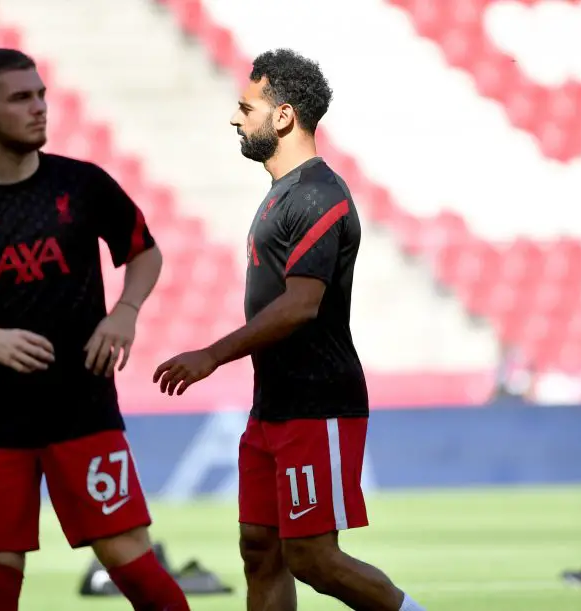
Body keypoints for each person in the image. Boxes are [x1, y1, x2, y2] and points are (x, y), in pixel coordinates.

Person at [0, 48, 190, 611]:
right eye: (21, 98)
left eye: (40, 94)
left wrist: (125, 312)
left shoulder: (82, 184)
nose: (39, 108)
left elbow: (145, 253)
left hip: (81, 404)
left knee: (129, 555)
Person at [154, 49, 426, 611]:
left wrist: (211, 354)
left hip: (316, 402)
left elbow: (302, 305)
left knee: (312, 558)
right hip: (273, 405)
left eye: (245, 106)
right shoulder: (281, 194)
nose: (235, 118)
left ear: (282, 117)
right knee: (260, 548)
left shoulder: (318, 194)